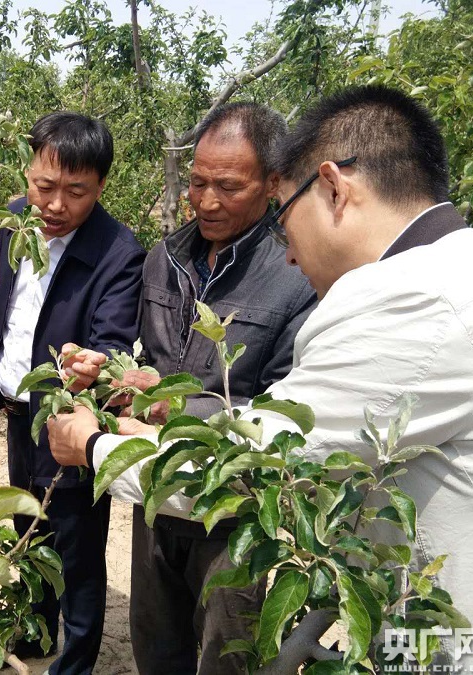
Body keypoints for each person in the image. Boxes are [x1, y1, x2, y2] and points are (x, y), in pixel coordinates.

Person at [47, 85, 473, 664]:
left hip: (453, 643)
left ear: (333, 188)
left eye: (284, 209)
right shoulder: (466, 272)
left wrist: (92, 444)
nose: (288, 250)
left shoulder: (418, 310)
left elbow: (257, 465)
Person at [116, 103, 315, 675]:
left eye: (227, 187)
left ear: (273, 184)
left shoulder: (297, 272)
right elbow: (141, 356)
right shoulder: (166, 258)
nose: (205, 201)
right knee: (155, 643)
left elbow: (290, 413)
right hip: (156, 490)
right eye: (197, 182)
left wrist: (175, 404)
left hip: (236, 511)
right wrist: (105, 372)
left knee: (225, 653)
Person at [0, 112, 146, 674]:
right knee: (26, 524)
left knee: (77, 550)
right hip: (16, 411)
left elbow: (111, 340)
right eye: (43, 186)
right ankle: (33, 629)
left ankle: (72, 664)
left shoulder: (119, 251)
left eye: (76, 192)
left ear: (100, 188)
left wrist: (91, 364)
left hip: (68, 420)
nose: (54, 205)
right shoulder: (14, 223)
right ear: (28, 173)